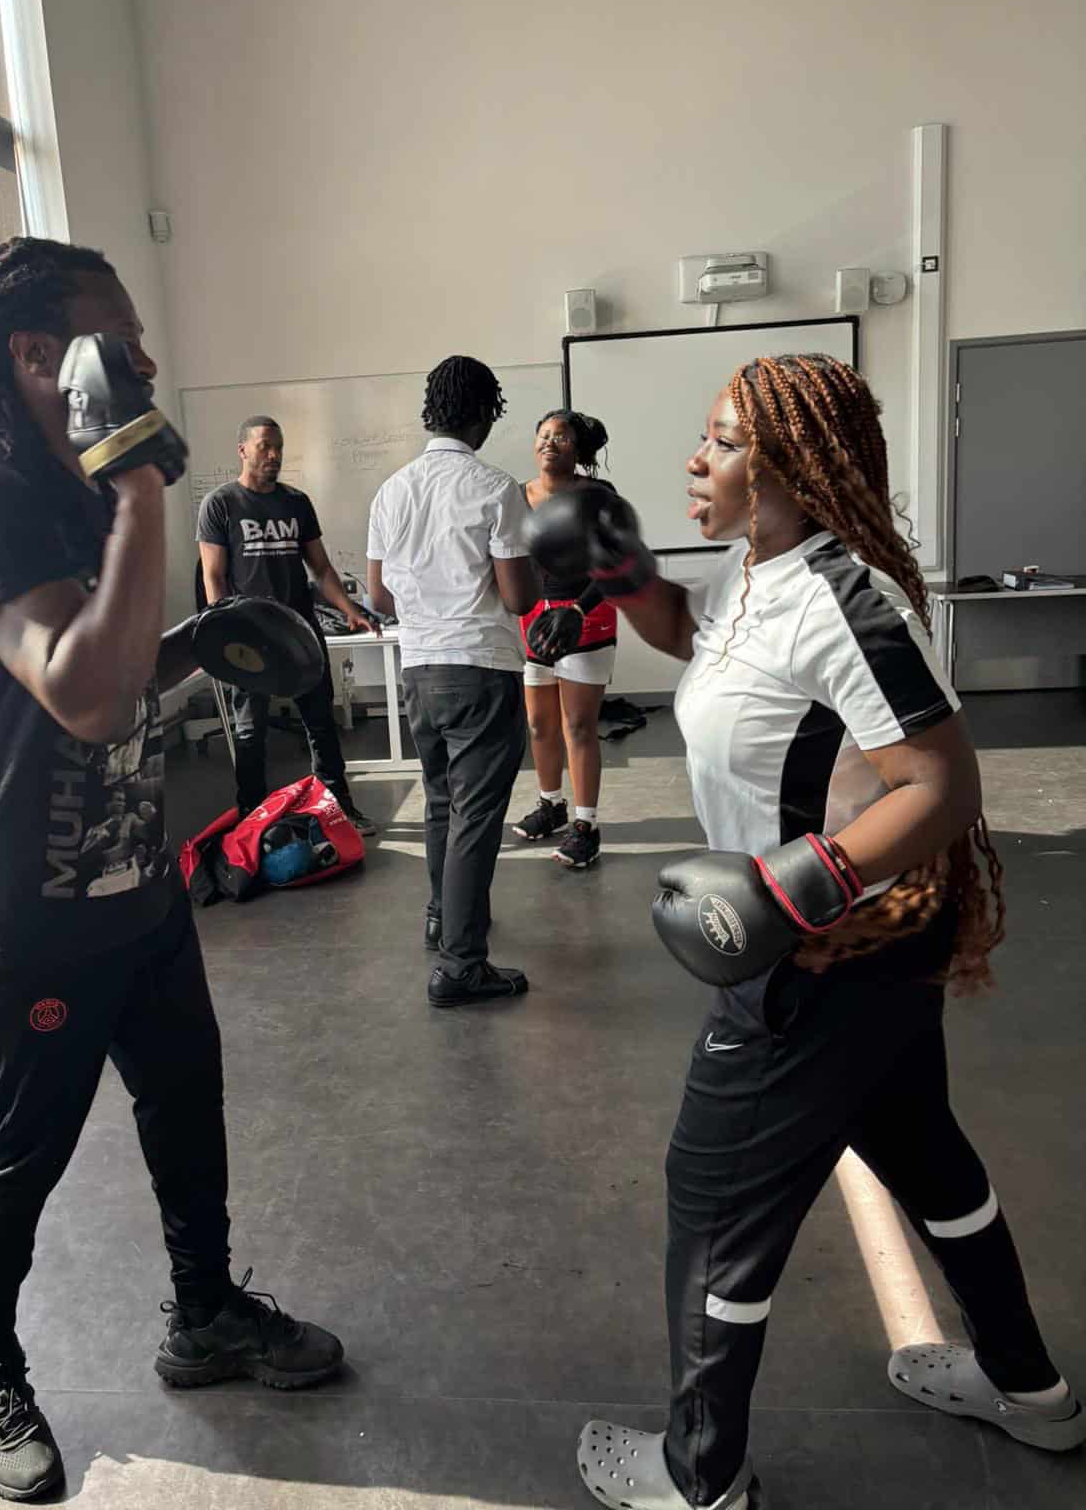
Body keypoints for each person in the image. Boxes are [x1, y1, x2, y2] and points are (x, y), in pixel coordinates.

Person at [527, 353, 1083, 1510]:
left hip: (817, 959)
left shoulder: (847, 598)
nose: (697, 458)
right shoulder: (756, 572)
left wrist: (794, 889)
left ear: (792, 462)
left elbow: (941, 784)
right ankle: (1031, 1390)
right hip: (867, 957)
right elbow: (697, 638)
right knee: (926, 1154)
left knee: (715, 1201)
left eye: (724, 441)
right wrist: (623, 571)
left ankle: (702, 1476)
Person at [0, 238, 344, 1504]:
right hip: (20, 905)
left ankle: (203, 1315)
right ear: (39, 355)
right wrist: (143, 479)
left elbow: (111, 665)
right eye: (121, 342)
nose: (148, 362)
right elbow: (85, 696)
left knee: (183, 1099)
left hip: (135, 877)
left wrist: (198, 639)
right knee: (22, 1151)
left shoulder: (76, 490)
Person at [366, 355, 539, 1007]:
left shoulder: (392, 490)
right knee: (476, 816)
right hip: (480, 669)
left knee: (441, 801)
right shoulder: (496, 489)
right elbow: (519, 598)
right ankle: (462, 965)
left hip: (419, 671)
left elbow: (380, 595)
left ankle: (444, 917)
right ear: (482, 416)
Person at [197, 417, 377, 831]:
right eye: (264, 447)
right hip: (247, 637)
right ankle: (252, 818)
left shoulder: (296, 502)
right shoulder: (221, 504)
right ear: (242, 450)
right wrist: (224, 633)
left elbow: (322, 568)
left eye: (278, 447)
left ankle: (340, 806)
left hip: (298, 633)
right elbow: (214, 576)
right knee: (249, 732)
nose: (273, 455)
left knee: (320, 722)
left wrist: (350, 609)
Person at [512, 408, 617, 869]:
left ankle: (585, 825)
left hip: (587, 613)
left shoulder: (597, 495)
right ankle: (550, 804)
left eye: (562, 437)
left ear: (578, 449)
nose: (550, 443)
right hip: (535, 617)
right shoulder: (515, 496)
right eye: (544, 435)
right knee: (539, 724)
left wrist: (577, 609)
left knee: (578, 727)